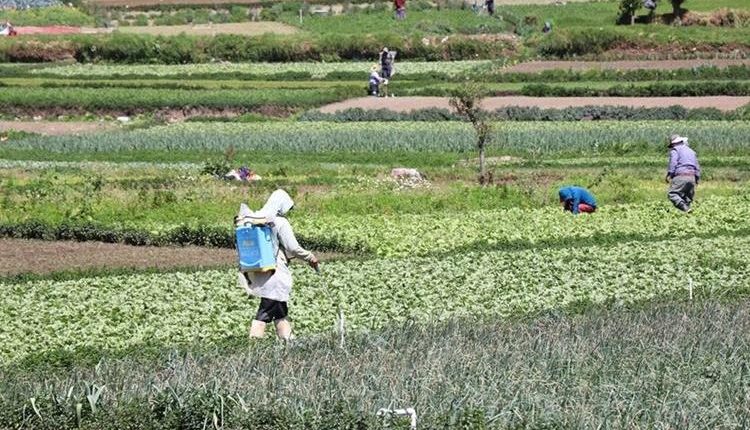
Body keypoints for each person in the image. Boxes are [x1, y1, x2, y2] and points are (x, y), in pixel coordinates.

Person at [236, 189, 319, 341]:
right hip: (276, 272)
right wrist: (310, 257)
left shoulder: (255, 219)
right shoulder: (279, 222)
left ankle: (288, 341)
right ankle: (254, 343)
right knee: (266, 309)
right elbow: (293, 247)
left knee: (280, 308)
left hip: (260, 270)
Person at [665, 134, 700, 213]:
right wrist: (697, 178)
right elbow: (697, 166)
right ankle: (687, 214)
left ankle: (686, 209)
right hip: (692, 177)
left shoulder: (675, 150)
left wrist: (669, 174)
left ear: (674, 144)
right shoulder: (692, 151)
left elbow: (673, 163)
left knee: (673, 194)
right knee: (687, 198)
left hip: (681, 175)